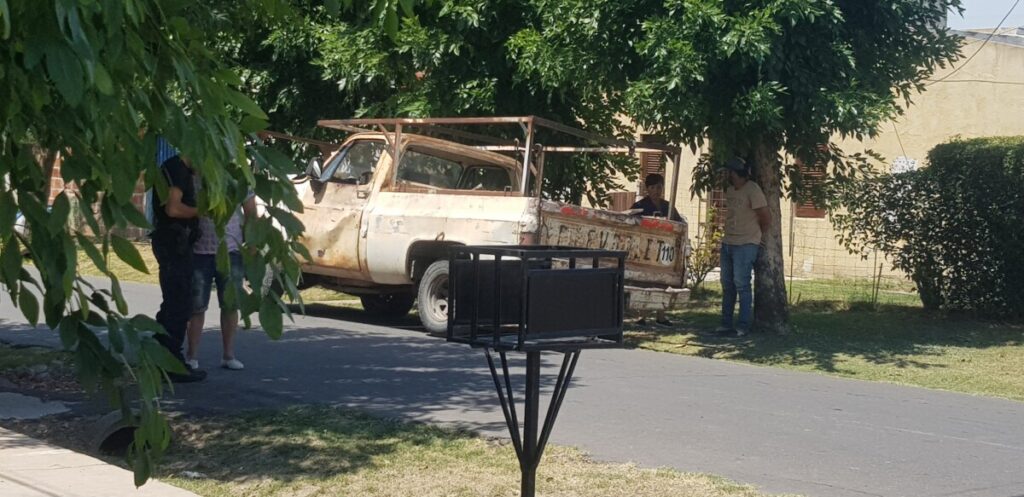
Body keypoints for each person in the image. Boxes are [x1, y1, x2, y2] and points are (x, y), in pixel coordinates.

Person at [185, 189, 257, 371]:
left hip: (231, 250)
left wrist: (252, 246)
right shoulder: (195, 178)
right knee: (196, 306)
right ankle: (191, 356)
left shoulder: (239, 180)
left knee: (230, 304)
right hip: (200, 250)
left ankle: (228, 355)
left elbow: (251, 213)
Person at [151, 153, 206, 382]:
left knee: (175, 302)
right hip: (173, 243)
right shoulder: (177, 169)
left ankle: (160, 357)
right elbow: (173, 209)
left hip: (176, 243)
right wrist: (200, 211)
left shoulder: (176, 168)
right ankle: (171, 363)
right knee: (178, 304)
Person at [717, 157, 770, 337]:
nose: (728, 175)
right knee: (727, 284)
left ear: (735, 173)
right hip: (728, 242)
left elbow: (765, 215)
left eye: (729, 172)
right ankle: (725, 324)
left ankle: (742, 326)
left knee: (742, 285)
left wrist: (759, 235)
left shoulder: (753, 189)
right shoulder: (730, 190)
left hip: (746, 244)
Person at [631, 173, 682, 326]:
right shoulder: (639, 206)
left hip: (665, 250)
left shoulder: (668, 206)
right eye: (653, 187)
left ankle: (661, 316)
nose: (656, 191)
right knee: (644, 282)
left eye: (659, 187)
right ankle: (641, 316)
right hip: (645, 250)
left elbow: (678, 224)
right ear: (647, 189)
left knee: (663, 282)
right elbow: (631, 224)